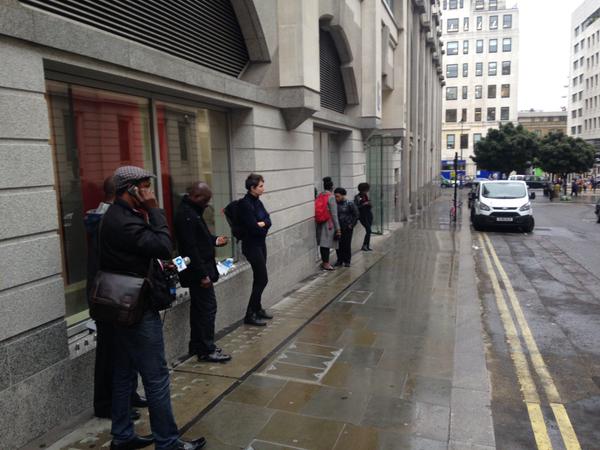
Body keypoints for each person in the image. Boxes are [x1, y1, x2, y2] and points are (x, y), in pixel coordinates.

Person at [101, 166, 205, 450]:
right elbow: (162, 244)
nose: (150, 191)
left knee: (124, 372)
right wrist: (155, 209)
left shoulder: (121, 216)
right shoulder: (124, 220)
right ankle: (167, 441)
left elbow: (137, 255)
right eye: (145, 185)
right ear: (130, 189)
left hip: (123, 305)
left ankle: (122, 435)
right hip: (136, 308)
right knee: (156, 376)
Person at [85, 177, 148, 421]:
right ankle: (105, 404)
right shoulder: (109, 220)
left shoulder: (113, 217)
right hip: (109, 296)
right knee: (109, 353)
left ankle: (127, 394)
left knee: (124, 350)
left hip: (116, 294)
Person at [174, 182, 231, 363]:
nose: (207, 204)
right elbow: (190, 248)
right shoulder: (187, 215)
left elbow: (200, 240)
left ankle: (198, 345)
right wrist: (202, 275)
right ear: (195, 197)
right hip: (198, 273)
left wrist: (214, 241)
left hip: (199, 270)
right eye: (205, 200)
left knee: (199, 309)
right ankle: (206, 349)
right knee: (207, 309)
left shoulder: (192, 212)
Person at [239, 173, 273, 326]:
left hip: (260, 244)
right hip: (251, 245)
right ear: (252, 188)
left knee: (259, 278)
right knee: (262, 278)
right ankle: (249, 314)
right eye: (260, 186)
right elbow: (253, 228)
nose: (263, 188)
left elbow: (268, 220)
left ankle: (257, 308)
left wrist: (262, 224)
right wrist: (261, 225)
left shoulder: (257, 202)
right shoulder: (245, 204)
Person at [316, 177, 341, 271]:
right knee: (326, 244)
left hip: (320, 222)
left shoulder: (320, 195)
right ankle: (326, 263)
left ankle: (324, 262)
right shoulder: (331, 197)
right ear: (332, 187)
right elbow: (334, 214)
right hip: (328, 223)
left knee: (323, 243)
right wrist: (338, 228)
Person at [334, 188, 359, 267]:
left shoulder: (349, 203)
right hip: (338, 227)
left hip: (347, 228)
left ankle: (347, 260)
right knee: (338, 245)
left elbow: (356, 215)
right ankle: (339, 260)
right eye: (335, 196)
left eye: (338, 196)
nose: (336, 198)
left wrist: (351, 225)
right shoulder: (334, 204)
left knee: (346, 244)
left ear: (343, 195)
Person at [355, 182, 373, 251]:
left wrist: (369, 203)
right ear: (363, 190)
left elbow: (369, 204)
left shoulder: (365, 196)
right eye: (366, 190)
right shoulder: (358, 197)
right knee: (369, 230)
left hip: (369, 214)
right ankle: (364, 245)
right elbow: (356, 207)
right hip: (363, 216)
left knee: (369, 231)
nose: (367, 191)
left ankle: (367, 245)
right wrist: (364, 204)